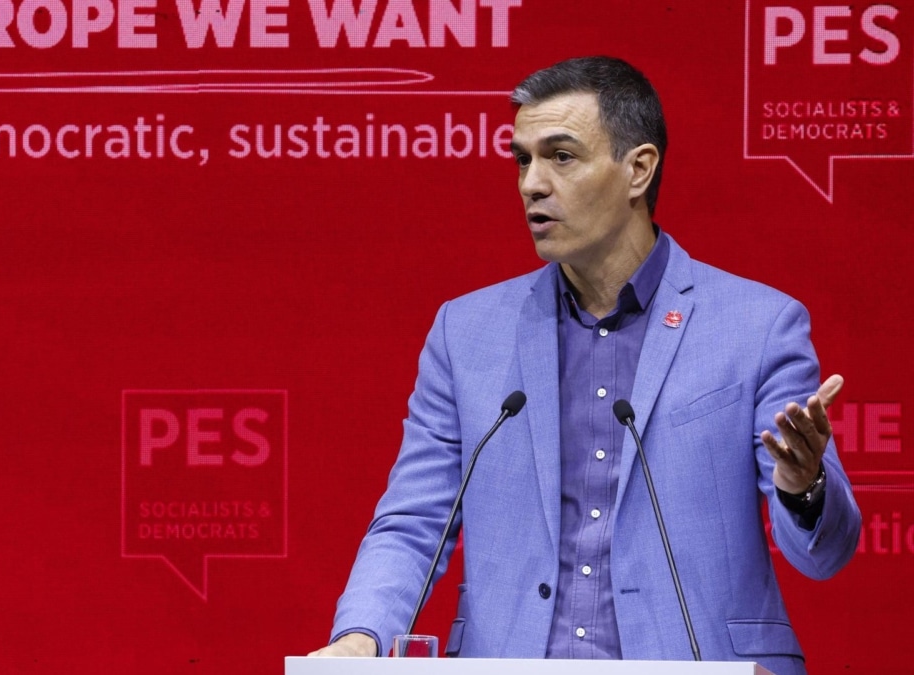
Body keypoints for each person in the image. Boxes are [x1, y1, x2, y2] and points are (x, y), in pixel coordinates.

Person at [308, 56, 860, 675]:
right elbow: (415, 519)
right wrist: (361, 636)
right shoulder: (466, 333)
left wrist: (803, 488)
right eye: (523, 159)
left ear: (638, 169)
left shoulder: (758, 326)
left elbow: (825, 554)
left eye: (561, 156)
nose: (531, 184)